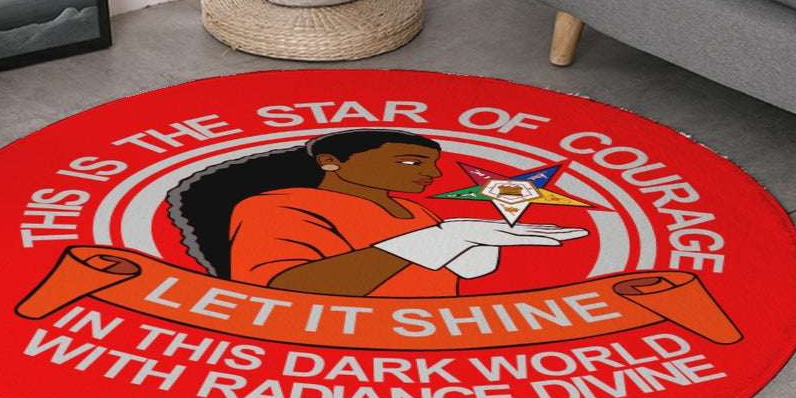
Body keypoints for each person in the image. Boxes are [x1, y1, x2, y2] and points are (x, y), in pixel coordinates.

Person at [166, 129, 587, 298]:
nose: (432, 175)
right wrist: (440, 239)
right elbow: (286, 291)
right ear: (331, 162)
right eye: (410, 162)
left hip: (431, 335)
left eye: (432, 165)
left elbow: (454, 278)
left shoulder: (412, 209)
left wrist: (477, 244)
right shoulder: (275, 205)